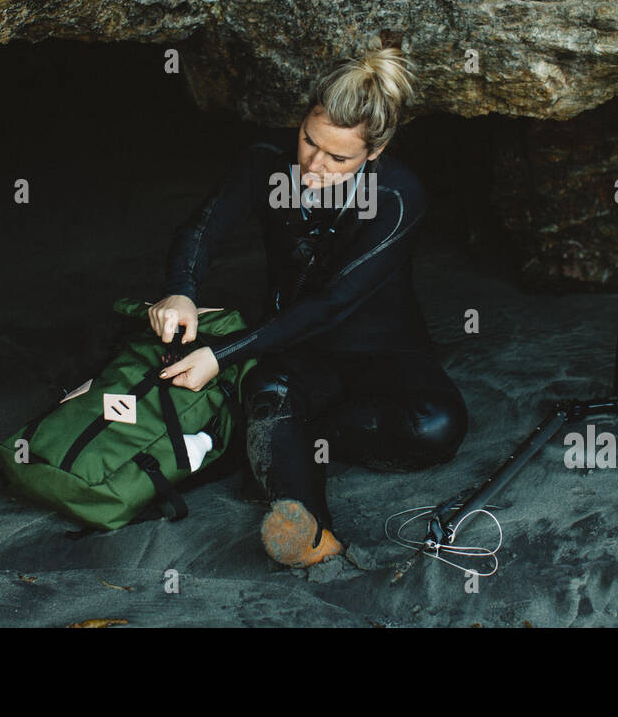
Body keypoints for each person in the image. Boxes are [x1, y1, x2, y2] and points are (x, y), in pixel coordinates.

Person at [147, 43, 468, 568]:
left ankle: (292, 442)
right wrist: (181, 288)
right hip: (293, 346)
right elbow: (203, 229)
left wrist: (219, 355)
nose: (314, 165)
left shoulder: (397, 197)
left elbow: (332, 302)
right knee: (269, 389)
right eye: (308, 141)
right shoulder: (264, 163)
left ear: (374, 152)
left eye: (338, 157)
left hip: (382, 349)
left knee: (436, 426)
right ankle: (312, 532)